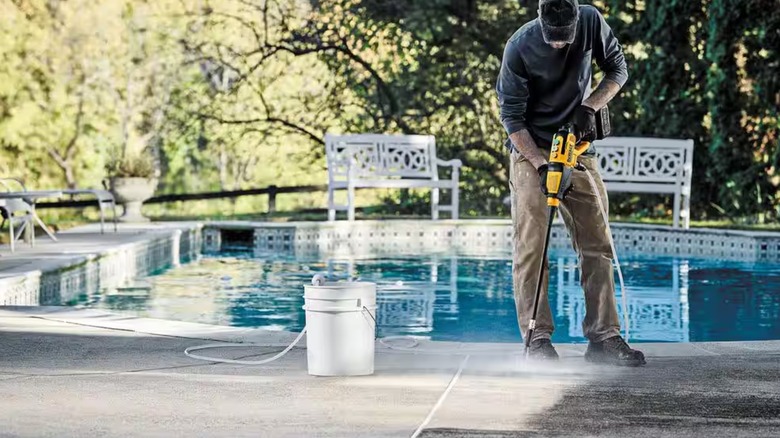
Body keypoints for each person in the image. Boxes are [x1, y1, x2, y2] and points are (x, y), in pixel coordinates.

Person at [496, 0, 645, 366]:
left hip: (577, 145)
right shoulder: (519, 47)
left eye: (566, 39)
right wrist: (541, 164)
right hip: (531, 148)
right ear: (540, 18)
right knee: (533, 247)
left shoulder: (593, 20)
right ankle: (537, 339)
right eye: (553, 39)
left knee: (598, 243)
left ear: (578, 19)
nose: (559, 45)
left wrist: (590, 106)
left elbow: (618, 70)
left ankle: (604, 338)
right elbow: (511, 119)